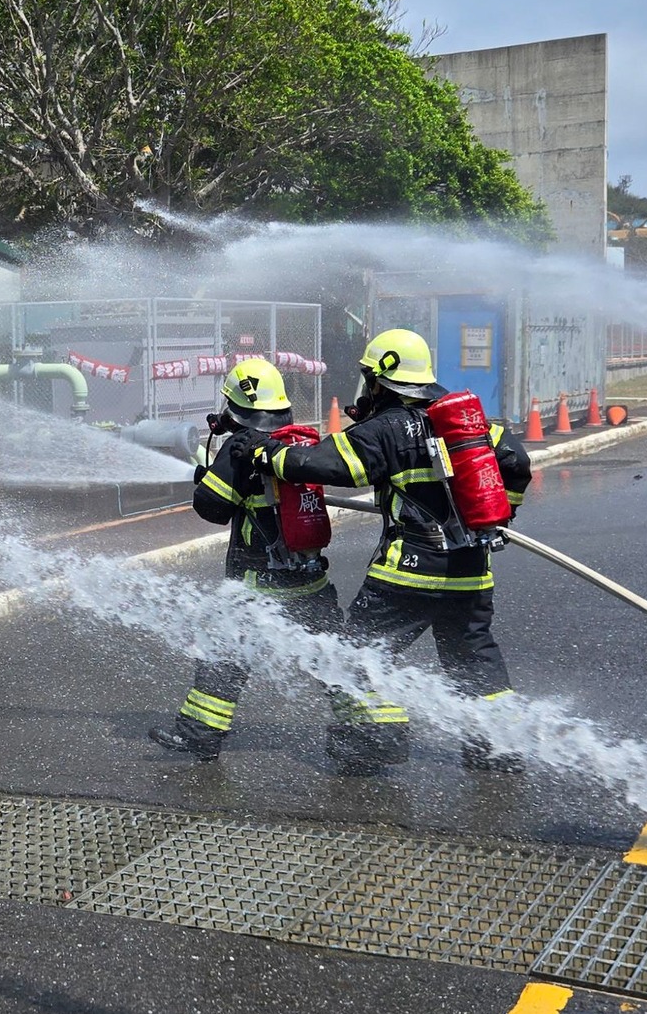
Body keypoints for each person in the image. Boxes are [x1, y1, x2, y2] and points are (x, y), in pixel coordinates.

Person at [263, 330, 533, 775]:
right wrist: (499, 518)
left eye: (370, 377)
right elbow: (517, 464)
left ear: (381, 377)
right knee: (473, 658)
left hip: (408, 573)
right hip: (470, 571)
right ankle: (498, 749)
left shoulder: (388, 428)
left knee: (358, 653)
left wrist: (267, 454)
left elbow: (324, 464)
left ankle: (377, 739)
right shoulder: (470, 422)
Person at [149, 359, 339, 761]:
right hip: (310, 578)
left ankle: (199, 734)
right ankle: (371, 735)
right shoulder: (298, 441)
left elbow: (212, 507)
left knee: (222, 653)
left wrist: (209, 478)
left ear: (233, 403)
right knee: (334, 658)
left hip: (258, 581)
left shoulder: (241, 448)